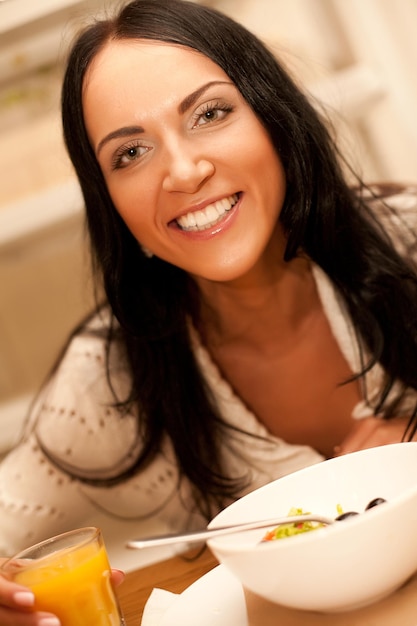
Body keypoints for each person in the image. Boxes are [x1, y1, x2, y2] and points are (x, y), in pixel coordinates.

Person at [2, 0, 417, 622]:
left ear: (277, 122)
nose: (185, 170)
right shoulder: (113, 375)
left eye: (211, 113)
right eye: (129, 154)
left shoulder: (407, 237)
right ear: (114, 208)